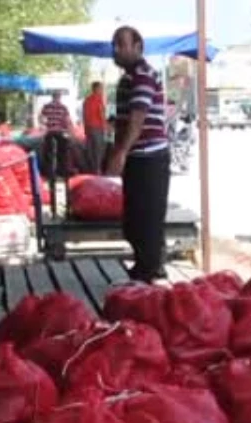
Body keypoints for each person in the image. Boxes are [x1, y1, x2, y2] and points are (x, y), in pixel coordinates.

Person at [108, 25, 171, 283]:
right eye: (115, 44)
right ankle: (144, 267)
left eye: (121, 44)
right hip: (137, 158)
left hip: (149, 158)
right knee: (134, 219)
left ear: (137, 47)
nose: (116, 49)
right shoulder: (128, 78)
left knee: (147, 218)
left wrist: (120, 151)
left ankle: (150, 272)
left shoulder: (143, 74)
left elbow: (138, 116)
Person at [39, 90, 73, 178]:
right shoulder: (63, 107)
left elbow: (41, 118)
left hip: (50, 132)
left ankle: (48, 172)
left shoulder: (46, 106)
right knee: (62, 153)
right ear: (59, 97)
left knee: (48, 153)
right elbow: (67, 121)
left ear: (52, 97)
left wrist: (45, 125)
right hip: (60, 132)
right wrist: (69, 131)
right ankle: (61, 172)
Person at [82, 82, 108, 174]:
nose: (102, 90)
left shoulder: (86, 100)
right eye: (101, 88)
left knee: (91, 149)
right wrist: (105, 127)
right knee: (99, 149)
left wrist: (85, 128)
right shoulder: (99, 99)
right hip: (97, 127)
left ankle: (92, 169)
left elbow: (84, 115)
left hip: (89, 128)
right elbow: (101, 114)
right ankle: (97, 169)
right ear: (96, 89)